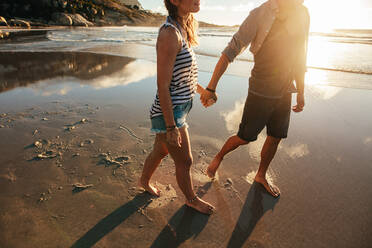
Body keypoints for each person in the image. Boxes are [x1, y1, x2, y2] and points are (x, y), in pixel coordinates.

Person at [201, 0, 310, 197]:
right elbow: (231, 49)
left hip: (286, 89)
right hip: (261, 89)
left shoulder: (302, 14)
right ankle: (219, 157)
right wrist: (211, 87)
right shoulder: (260, 13)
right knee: (245, 137)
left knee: (276, 136)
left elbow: (300, 56)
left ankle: (261, 175)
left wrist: (301, 91)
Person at [139, 0, 215, 214]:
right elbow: (162, 85)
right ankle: (191, 199)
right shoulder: (169, 34)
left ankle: (144, 182)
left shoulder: (184, 27)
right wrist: (171, 127)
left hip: (177, 108)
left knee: (160, 151)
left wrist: (203, 92)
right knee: (186, 160)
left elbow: (183, 77)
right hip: (169, 113)